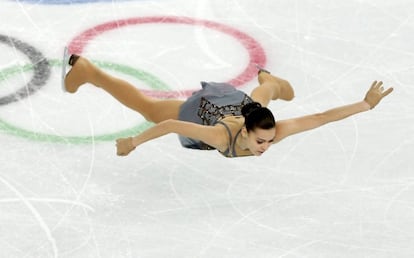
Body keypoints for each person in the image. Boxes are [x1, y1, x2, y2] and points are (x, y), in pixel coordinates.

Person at [62, 48, 393, 158]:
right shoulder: (221, 137)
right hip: (206, 109)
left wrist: (365, 104)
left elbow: (320, 118)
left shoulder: (270, 130)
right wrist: (133, 142)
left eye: (268, 139)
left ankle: (270, 85)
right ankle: (89, 71)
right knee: (149, 110)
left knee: (253, 101)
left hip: (238, 104)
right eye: (261, 140)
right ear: (247, 133)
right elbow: (172, 125)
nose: (267, 146)